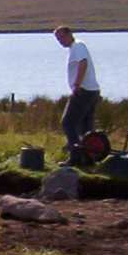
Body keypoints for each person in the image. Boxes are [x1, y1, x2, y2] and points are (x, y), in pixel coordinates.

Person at [53, 25, 101, 166]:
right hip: (92, 90)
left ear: (69, 34)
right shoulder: (75, 48)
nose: (60, 41)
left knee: (68, 122)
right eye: (58, 39)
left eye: (62, 37)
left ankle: (75, 157)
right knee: (85, 127)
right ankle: (88, 158)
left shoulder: (78, 46)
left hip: (84, 91)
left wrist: (77, 85)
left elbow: (83, 64)